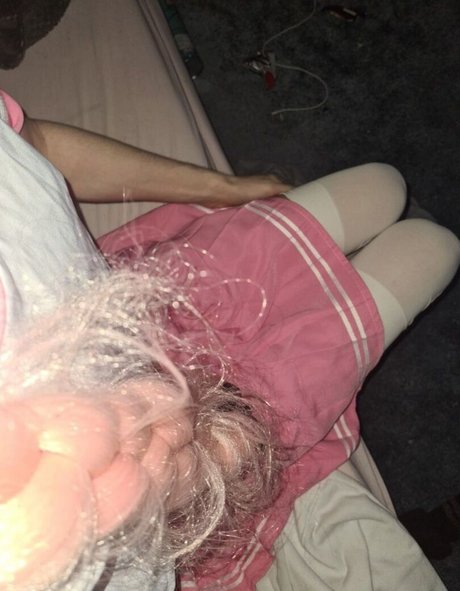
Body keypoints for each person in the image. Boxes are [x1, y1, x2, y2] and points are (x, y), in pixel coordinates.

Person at [0, 88, 459, 591]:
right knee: (434, 247)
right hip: (204, 457)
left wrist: (224, 187)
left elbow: (34, 141)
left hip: (151, 305)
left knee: (383, 185)